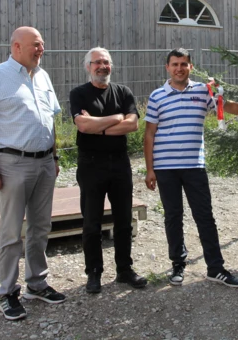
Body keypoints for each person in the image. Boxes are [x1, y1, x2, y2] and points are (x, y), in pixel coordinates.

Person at [143, 48, 238, 288]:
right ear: (167, 68)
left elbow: (229, 106)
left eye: (184, 64)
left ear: (191, 66)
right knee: (173, 217)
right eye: (175, 64)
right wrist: (150, 170)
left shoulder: (203, 91)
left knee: (205, 217)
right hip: (166, 168)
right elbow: (149, 134)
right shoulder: (157, 96)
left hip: (194, 166)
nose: (179, 68)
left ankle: (215, 268)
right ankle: (178, 265)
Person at [0, 26, 65, 321]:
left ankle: (36, 284)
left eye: (42, 45)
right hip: (13, 163)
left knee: (40, 227)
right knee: (12, 231)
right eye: (35, 45)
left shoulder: (43, 76)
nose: (40, 50)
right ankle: (7, 292)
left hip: (44, 163)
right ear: (16, 47)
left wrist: (54, 156)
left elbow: (49, 120)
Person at [69, 47, 147, 294]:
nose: (102, 66)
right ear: (87, 67)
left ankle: (124, 269)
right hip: (91, 163)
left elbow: (132, 124)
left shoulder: (123, 92)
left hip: (119, 162)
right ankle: (94, 273)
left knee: (124, 219)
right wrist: (116, 118)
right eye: (97, 62)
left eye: (106, 62)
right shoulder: (79, 93)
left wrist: (98, 126)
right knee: (91, 221)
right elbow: (82, 125)